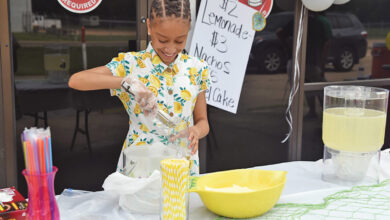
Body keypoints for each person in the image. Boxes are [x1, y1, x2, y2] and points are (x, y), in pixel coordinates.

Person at [68, 0, 210, 177]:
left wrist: (196, 131)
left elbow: (203, 121)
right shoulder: (132, 64)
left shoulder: (197, 69)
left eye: (180, 41)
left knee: (180, 205)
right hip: (139, 167)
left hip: (182, 167)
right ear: (149, 27)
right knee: (137, 205)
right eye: (163, 40)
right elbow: (77, 80)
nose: (171, 48)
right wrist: (124, 82)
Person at [277, 11, 332, 118]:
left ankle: (313, 112)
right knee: (320, 87)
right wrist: (322, 65)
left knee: (306, 87)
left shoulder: (297, 21)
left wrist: (287, 46)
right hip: (312, 62)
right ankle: (325, 113)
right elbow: (326, 44)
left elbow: (279, 33)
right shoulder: (318, 23)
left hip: (297, 61)